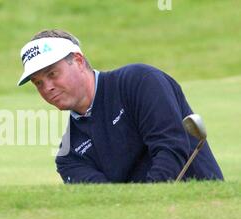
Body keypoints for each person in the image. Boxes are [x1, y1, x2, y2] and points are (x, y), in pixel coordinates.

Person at [16, 29, 223, 183]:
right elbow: (108, 204)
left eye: (52, 74)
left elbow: (170, 149)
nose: (47, 88)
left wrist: (148, 203)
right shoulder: (69, 156)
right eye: (38, 83)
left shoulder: (139, 82)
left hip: (207, 214)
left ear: (78, 61)